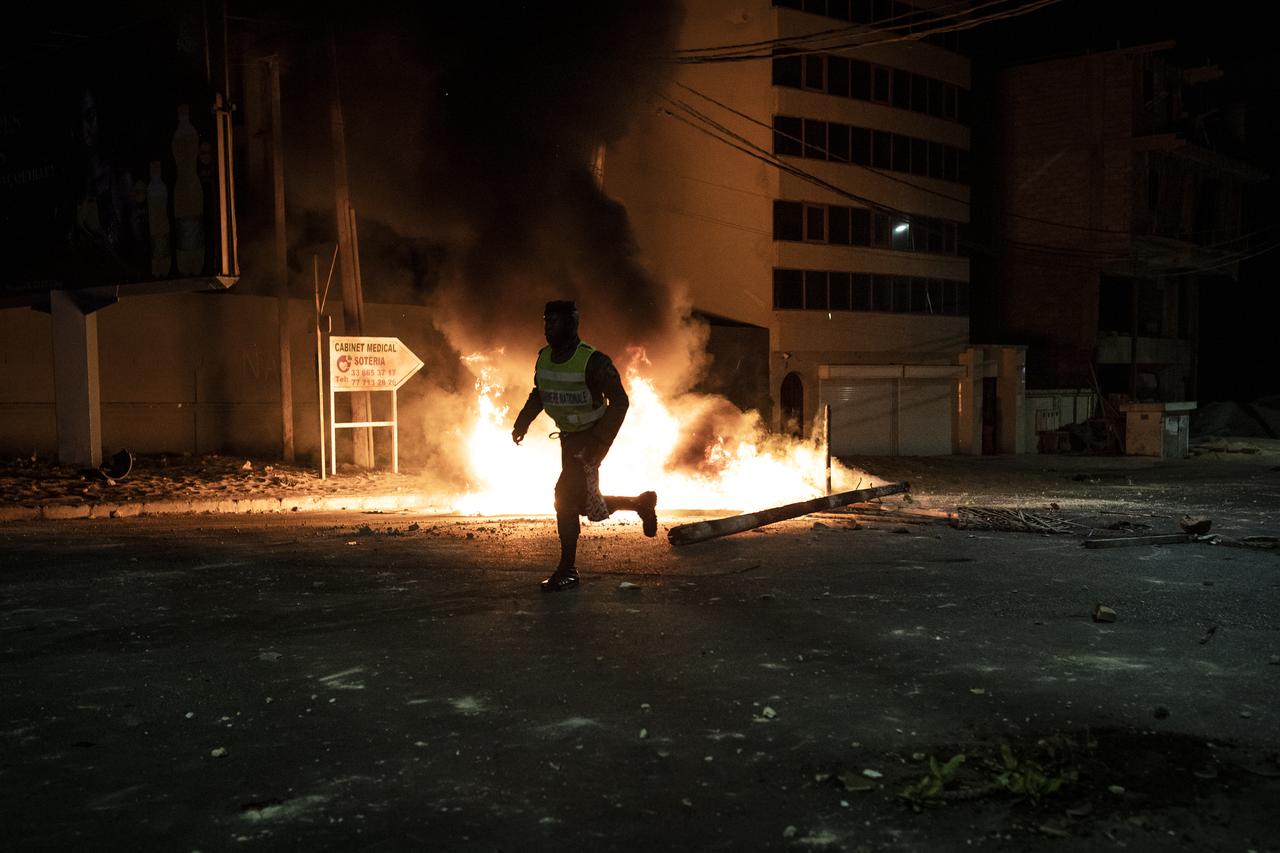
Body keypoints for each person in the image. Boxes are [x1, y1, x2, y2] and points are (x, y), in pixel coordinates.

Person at [511, 300, 658, 592]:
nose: (548, 326)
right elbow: (540, 392)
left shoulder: (594, 362)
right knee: (582, 503)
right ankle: (641, 503)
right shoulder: (544, 358)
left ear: (572, 324)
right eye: (546, 320)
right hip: (569, 439)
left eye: (555, 321)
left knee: (563, 496)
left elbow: (620, 402)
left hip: (591, 438)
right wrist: (522, 422)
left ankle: (568, 570)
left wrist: (598, 442)